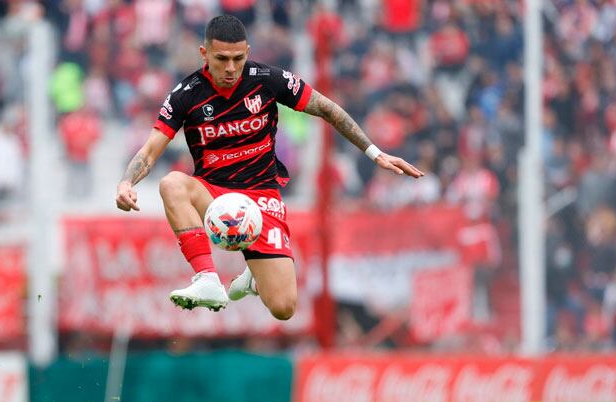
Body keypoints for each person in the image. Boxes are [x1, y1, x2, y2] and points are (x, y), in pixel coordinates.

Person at [115, 15, 423, 319]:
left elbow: (327, 108)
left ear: (247, 52)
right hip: (214, 194)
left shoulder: (267, 79)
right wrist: (126, 183)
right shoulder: (186, 94)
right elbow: (150, 150)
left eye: (238, 58)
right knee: (171, 184)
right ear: (204, 53)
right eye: (221, 58)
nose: (231, 68)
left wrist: (374, 152)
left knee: (283, 307)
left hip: (262, 198)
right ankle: (207, 279)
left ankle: (252, 277)